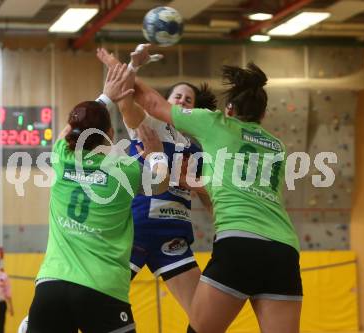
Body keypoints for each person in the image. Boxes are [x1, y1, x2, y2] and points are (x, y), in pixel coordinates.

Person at [127, 44, 303, 333]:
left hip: (240, 243)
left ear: (230, 109)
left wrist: (132, 65)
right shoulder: (278, 147)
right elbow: (241, 185)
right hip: (284, 249)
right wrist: (196, 184)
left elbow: (152, 103)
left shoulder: (216, 124)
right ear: (263, 116)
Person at [27, 63, 169, 333]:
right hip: (102, 290)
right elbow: (160, 184)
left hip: (51, 286)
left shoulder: (61, 155)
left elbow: (68, 130)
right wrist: (156, 153)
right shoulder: (124, 169)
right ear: (111, 135)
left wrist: (104, 96)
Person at [96, 48, 216, 315]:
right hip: (135, 228)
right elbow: (127, 100)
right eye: (178, 97)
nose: (183, 101)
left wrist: (197, 187)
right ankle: (36, 323)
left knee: (203, 316)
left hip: (173, 236)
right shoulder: (151, 125)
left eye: (188, 99)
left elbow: (210, 197)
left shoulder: (199, 151)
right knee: (94, 300)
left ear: (194, 109)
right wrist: (132, 65)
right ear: (167, 101)